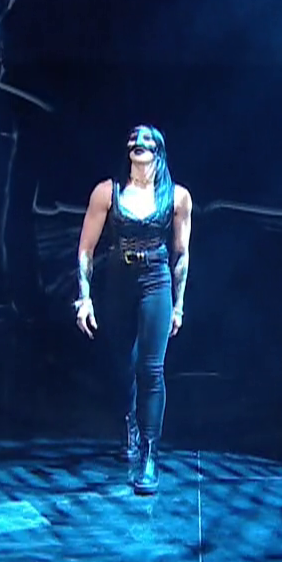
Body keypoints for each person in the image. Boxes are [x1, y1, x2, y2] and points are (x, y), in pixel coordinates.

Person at [75, 125, 194, 496]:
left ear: (158, 152)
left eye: (146, 143)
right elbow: (86, 249)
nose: (138, 146)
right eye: (133, 142)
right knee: (123, 363)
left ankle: (149, 453)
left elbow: (181, 254)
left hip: (155, 278)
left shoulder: (177, 197)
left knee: (151, 368)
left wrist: (179, 305)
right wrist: (84, 298)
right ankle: (129, 424)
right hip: (118, 279)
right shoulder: (107, 192)